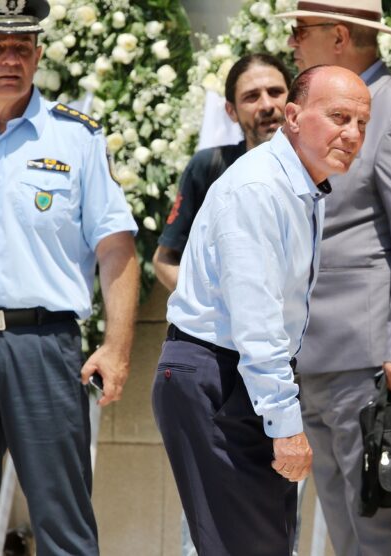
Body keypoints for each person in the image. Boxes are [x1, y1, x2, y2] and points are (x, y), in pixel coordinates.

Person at [151, 65, 371, 556]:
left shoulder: (299, 185)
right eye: (339, 117)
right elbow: (257, 318)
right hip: (217, 376)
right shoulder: (259, 188)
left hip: (236, 377)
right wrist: (284, 423)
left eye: (362, 122)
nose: (352, 134)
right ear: (293, 116)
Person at [275, 2, 391, 554]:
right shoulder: (320, 113)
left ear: (340, 37)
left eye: (300, 30)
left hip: (371, 362)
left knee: (384, 532)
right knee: (346, 533)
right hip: (314, 357)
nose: (293, 43)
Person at [0, 1, 140, 554]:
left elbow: (116, 247)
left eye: (21, 47)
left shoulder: (76, 137)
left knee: (64, 527)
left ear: (39, 54)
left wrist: (117, 349)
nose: (10, 59)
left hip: (44, 347)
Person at [153, 53, 292, 291]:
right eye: (251, 96)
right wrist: (210, 304)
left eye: (275, 92)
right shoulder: (209, 166)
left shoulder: (318, 168)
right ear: (231, 111)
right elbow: (164, 259)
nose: (267, 105)